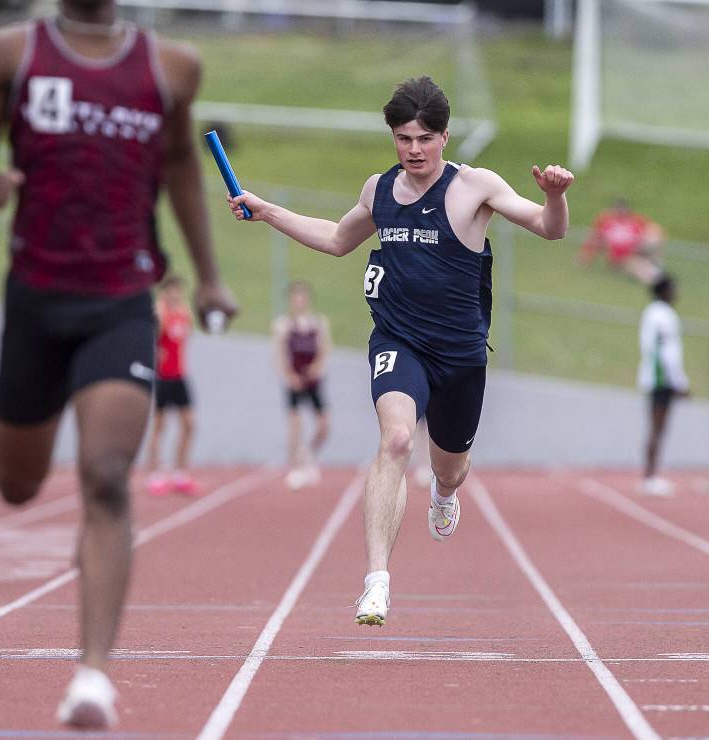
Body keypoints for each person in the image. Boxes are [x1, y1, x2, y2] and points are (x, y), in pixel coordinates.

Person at [0, 0, 237, 729]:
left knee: (106, 475)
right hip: (36, 301)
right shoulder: (9, 55)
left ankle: (92, 679)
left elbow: (181, 172)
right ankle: (90, 671)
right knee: (16, 485)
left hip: (120, 299)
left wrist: (208, 275)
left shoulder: (170, 68)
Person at [227, 76, 574, 626]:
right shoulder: (379, 190)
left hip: (460, 354)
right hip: (398, 341)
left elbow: (548, 230)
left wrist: (554, 197)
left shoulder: (474, 187)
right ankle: (376, 584)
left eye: (425, 138)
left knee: (451, 467)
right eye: (403, 138)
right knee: (394, 440)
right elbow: (338, 239)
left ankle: (443, 492)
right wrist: (268, 210)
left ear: (445, 136)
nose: (414, 150)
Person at [272, 280, 331, 489]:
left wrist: (316, 368)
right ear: (290, 300)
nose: (299, 300)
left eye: (302, 296)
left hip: (314, 381)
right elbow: (279, 356)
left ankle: (307, 457)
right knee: (295, 425)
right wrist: (289, 377)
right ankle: (296, 467)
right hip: (294, 380)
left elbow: (325, 351)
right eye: (295, 297)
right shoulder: (283, 325)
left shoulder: (319, 323)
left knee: (324, 426)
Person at [145, 274, 199, 495]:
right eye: (171, 290)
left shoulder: (184, 314)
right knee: (159, 426)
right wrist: (162, 314)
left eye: (178, 290)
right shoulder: (161, 313)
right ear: (165, 291)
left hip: (180, 376)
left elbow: (187, 337)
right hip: (162, 377)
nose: (175, 294)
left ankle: (180, 473)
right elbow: (154, 336)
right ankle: (156, 474)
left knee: (189, 425)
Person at [638, 273, 689, 496]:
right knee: (658, 428)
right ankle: (650, 477)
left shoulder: (651, 313)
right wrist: (678, 380)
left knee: (657, 429)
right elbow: (665, 350)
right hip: (661, 378)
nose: (675, 293)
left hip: (656, 376)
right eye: (672, 288)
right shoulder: (664, 315)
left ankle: (651, 475)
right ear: (663, 291)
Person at [579, 198, 664, 285]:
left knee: (652, 241)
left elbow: (654, 229)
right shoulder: (606, 221)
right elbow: (595, 239)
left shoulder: (634, 221)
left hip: (636, 251)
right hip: (620, 258)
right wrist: (586, 256)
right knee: (638, 266)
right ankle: (656, 279)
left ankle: (657, 272)